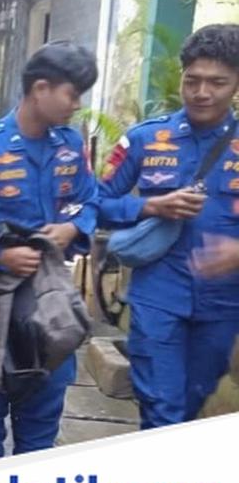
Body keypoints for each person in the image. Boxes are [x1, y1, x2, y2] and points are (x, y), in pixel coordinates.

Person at [0, 42, 100, 463]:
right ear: (40, 88)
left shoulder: (69, 146)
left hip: (51, 313)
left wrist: (73, 226)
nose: (76, 105)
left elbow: (91, 200)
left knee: (39, 439)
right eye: (72, 93)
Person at [97, 24, 239, 429]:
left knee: (190, 406)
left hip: (223, 305)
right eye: (192, 80)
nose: (202, 92)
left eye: (217, 82)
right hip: (158, 296)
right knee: (162, 410)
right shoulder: (146, 139)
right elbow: (96, 204)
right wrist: (150, 206)